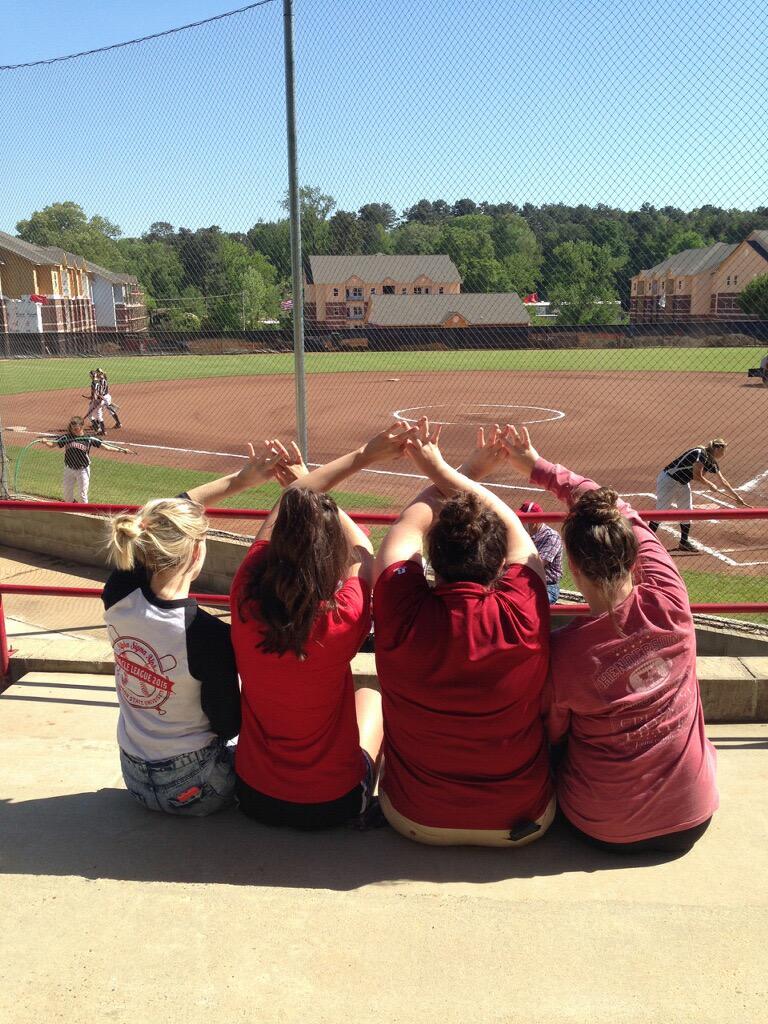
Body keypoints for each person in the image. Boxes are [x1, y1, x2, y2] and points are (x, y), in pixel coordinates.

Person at [501, 425, 719, 854]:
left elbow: (554, 737)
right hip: (691, 820)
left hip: (602, 829)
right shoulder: (669, 596)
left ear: (573, 570)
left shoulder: (562, 655)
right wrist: (540, 468)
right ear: (634, 555)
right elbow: (619, 508)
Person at [373, 419, 554, 848]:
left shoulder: (401, 607)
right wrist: (451, 473)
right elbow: (513, 526)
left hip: (414, 820)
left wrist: (455, 470)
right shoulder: (523, 609)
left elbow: (407, 526)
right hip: (523, 823)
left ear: (432, 558)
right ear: (497, 565)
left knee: (369, 702)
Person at [231, 422, 415, 830]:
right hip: (333, 803)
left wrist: (309, 485)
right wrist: (315, 488)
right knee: (372, 698)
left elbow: (293, 505)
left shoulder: (245, 595)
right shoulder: (341, 616)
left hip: (253, 796)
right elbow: (363, 552)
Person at [103, 441, 284, 816]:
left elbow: (164, 516)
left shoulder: (119, 592)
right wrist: (247, 482)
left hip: (134, 778)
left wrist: (241, 480)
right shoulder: (205, 635)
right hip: (199, 786)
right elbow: (227, 725)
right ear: (199, 552)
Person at [648, 439, 750, 551]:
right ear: (717, 448)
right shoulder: (700, 453)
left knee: (687, 510)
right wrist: (709, 484)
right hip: (668, 480)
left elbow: (723, 481)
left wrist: (737, 497)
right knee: (661, 511)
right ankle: (646, 542)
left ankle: (684, 542)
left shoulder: (711, 461)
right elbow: (696, 475)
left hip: (682, 483)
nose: (724, 452)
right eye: (724, 449)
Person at [40, 416, 133, 502]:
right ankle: (75, 508)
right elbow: (52, 445)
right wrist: (45, 442)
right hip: (69, 469)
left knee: (82, 495)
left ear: (82, 426)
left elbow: (107, 447)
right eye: (73, 429)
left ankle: (84, 514)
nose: (75, 431)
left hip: (83, 470)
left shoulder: (88, 438)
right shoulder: (67, 437)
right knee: (67, 496)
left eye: (77, 429)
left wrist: (122, 450)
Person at [519, 500, 563, 603]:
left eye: (524, 519)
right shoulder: (523, 534)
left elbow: (536, 565)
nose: (520, 522)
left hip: (547, 586)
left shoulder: (552, 537)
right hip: (525, 583)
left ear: (534, 521)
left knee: (527, 604)